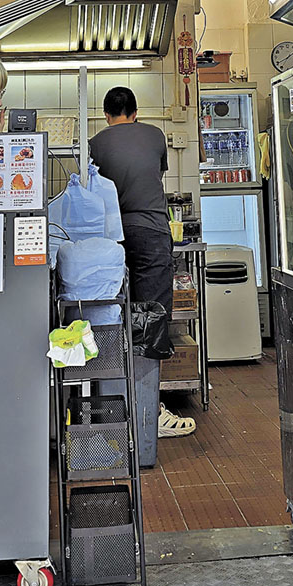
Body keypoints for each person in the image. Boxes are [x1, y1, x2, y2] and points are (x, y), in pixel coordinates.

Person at [89, 87, 195, 439]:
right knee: (151, 319)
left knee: (111, 319)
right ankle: (149, 411)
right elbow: (154, 176)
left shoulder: (96, 143)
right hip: (151, 231)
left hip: (110, 239)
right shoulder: (155, 135)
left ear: (106, 115)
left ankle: (115, 408)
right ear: (135, 113)